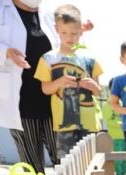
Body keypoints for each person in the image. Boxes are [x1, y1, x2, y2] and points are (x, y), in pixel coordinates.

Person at [0, 0, 60, 173]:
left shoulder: (47, 11)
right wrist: (5, 52)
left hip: (53, 97)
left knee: (64, 158)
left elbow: (61, 44)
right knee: (33, 166)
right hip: (21, 100)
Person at [34, 4, 102, 160]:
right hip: (64, 123)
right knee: (67, 165)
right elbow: (45, 89)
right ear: (56, 29)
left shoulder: (90, 58)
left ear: (81, 31)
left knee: (92, 164)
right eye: (64, 32)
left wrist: (92, 85)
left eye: (74, 33)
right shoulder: (48, 58)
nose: (69, 37)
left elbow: (99, 91)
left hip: (90, 122)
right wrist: (60, 82)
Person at [100, 77, 126, 175]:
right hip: (115, 135)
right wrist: (120, 123)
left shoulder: (123, 103)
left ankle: (123, 174)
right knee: (117, 156)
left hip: (124, 134)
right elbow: (109, 120)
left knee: (124, 156)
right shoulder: (107, 105)